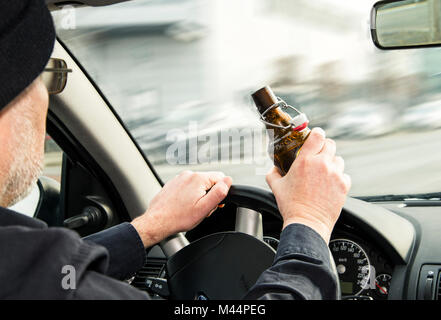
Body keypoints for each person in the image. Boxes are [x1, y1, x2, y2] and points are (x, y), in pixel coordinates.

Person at [0, 0, 350, 299]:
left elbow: (56, 276)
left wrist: (150, 227)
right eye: (43, 77)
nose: (46, 99)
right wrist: (309, 222)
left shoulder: (18, 264)